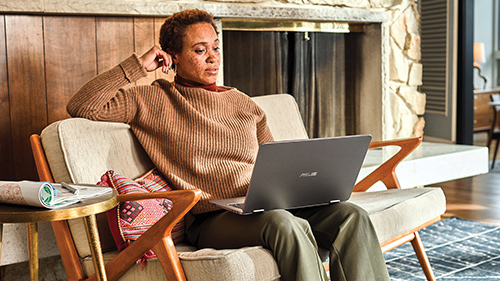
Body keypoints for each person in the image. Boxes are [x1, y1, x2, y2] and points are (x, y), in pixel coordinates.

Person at [67, 9, 390, 281]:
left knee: (351, 216)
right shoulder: (152, 99)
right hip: (212, 218)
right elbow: (84, 106)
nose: (212, 58)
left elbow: (276, 161)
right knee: (282, 223)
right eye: (199, 50)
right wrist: (139, 65)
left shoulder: (243, 103)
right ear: (173, 56)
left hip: (264, 203)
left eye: (216, 48)